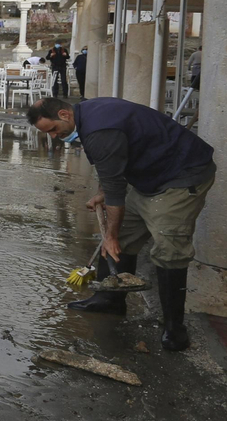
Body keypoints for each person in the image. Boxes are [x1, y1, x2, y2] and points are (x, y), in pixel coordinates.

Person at [28, 96, 215, 352]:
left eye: (52, 130)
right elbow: (110, 170)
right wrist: (102, 193)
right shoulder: (86, 116)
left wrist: (110, 234)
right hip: (149, 176)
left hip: (181, 176)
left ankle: (174, 328)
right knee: (123, 237)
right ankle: (110, 300)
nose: (53, 137)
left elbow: (116, 189)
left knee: (168, 248)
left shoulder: (100, 130)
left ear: (64, 114)